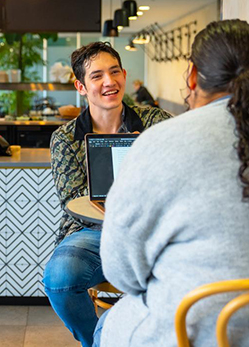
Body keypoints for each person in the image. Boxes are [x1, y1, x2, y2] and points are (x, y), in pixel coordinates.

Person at [96, 20, 249, 347]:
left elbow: (121, 273)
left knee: (107, 325)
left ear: (192, 75)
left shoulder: (160, 141)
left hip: (203, 334)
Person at [42, 41, 172, 347]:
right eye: (97, 76)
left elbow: (177, 178)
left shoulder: (157, 123)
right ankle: (98, 342)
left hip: (152, 228)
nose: (109, 82)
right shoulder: (65, 137)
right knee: (59, 280)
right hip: (92, 232)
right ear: (81, 86)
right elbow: (74, 198)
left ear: (125, 75)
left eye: (114, 72)